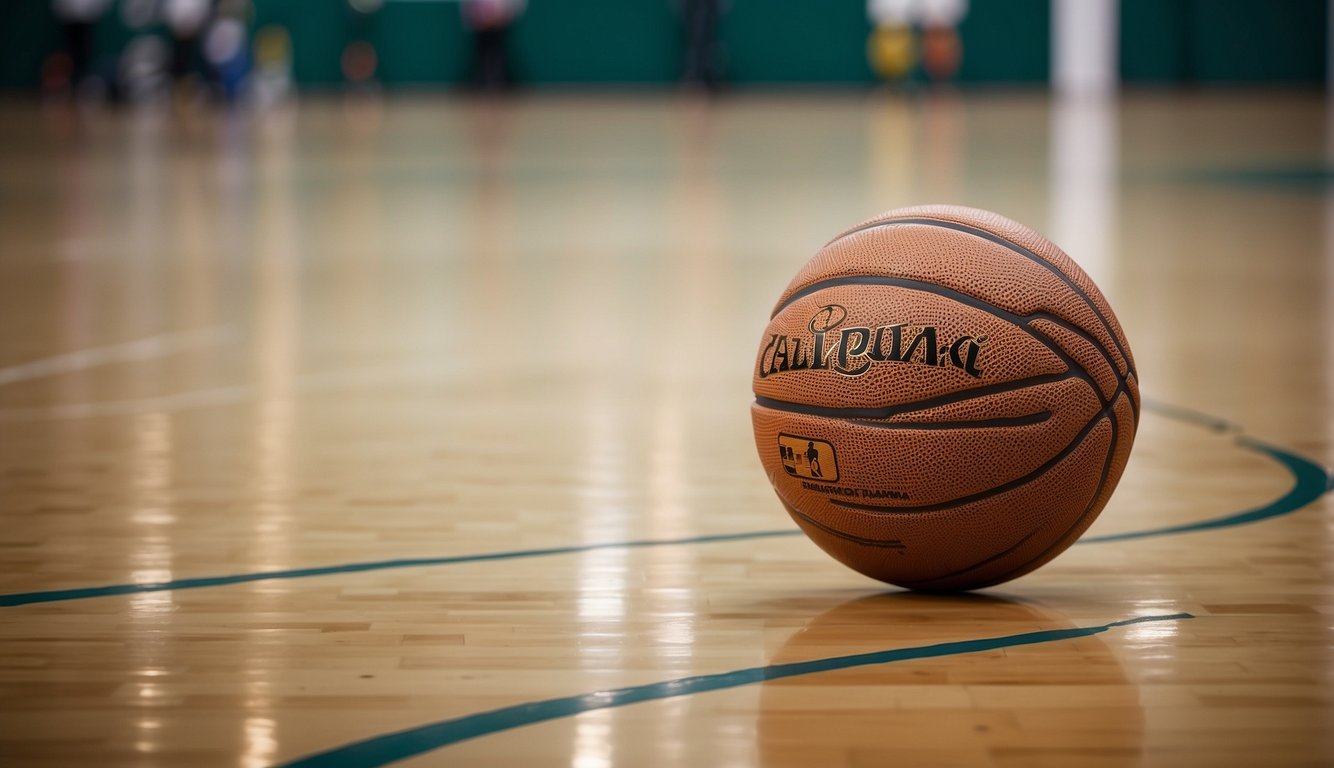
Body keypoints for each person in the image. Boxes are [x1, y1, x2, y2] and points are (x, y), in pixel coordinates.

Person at [461, 0, 525, 90]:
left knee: (497, 54)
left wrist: (498, 18)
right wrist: (482, 18)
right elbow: (468, 11)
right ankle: (481, 81)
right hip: (480, 28)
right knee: (481, 54)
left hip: (500, 26)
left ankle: (499, 80)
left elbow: (513, 9)